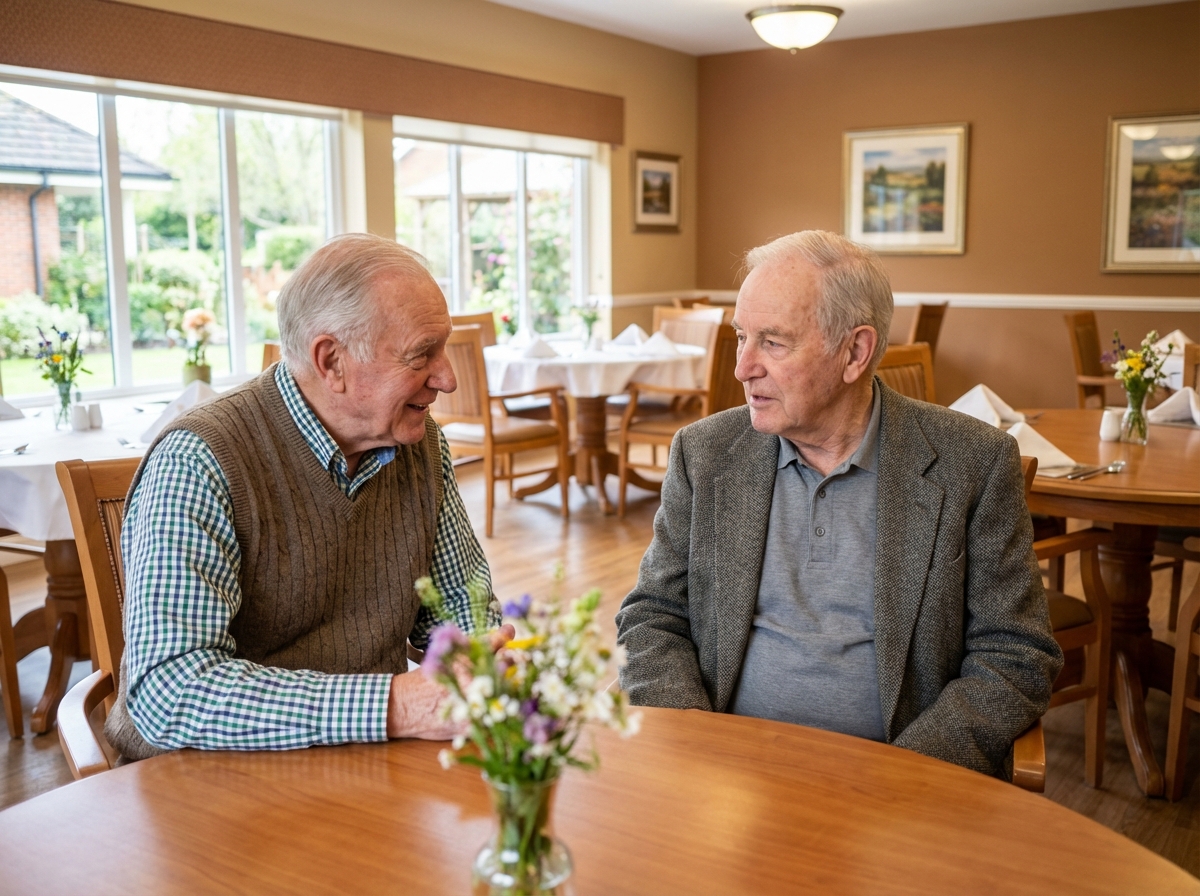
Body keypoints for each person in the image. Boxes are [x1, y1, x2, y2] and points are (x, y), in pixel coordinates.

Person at [615, 230, 1062, 779]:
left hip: (898, 792)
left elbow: (1015, 654)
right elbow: (653, 615)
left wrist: (902, 775)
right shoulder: (705, 454)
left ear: (855, 352)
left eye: (773, 343)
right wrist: (696, 742)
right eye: (740, 337)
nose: (742, 368)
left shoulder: (972, 463)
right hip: (725, 781)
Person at [108, 233, 510, 760]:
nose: (448, 378)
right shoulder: (199, 461)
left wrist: (482, 659)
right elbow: (171, 691)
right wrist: (392, 705)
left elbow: (462, 607)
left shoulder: (421, 445)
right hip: (204, 784)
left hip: (363, 766)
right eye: (421, 355)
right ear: (331, 361)